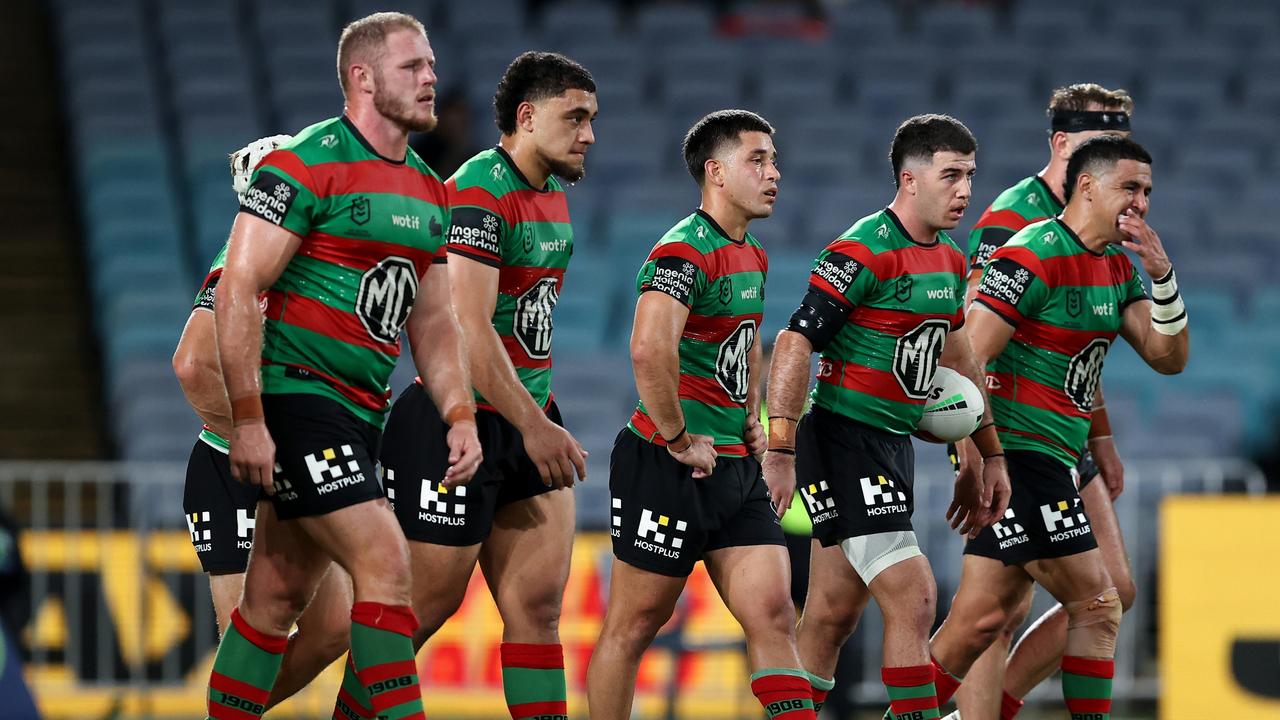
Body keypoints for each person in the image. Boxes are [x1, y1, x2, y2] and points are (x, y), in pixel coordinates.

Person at [204, 13, 482, 720]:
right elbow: (238, 285)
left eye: (431, 66)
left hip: (363, 414)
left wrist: (458, 412)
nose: (431, 78)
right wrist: (247, 417)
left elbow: (435, 322)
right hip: (299, 401)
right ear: (361, 78)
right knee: (388, 566)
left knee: (273, 599)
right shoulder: (304, 163)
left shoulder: (429, 190)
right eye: (411, 67)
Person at [332, 51, 596, 720]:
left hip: (526, 415)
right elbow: (466, 327)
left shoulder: (554, 198)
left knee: (538, 611)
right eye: (576, 118)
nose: (589, 133)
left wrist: (537, 416)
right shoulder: (479, 187)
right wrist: (534, 425)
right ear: (528, 118)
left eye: (592, 119)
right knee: (421, 610)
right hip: (459, 422)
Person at [928, 135, 1188, 720]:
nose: (1141, 202)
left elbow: (1167, 355)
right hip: (1022, 455)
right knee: (1099, 605)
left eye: (1147, 190)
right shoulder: (1032, 253)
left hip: (1054, 457)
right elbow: (964, 358)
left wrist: (1163, 276)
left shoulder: (1117, 267)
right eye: (1129, 187)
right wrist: (979, 457)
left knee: (975, 625)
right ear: (1087, 185)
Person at [764, 114, 1009, 720]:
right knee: (916, 594)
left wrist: (983, 451)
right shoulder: (862, 249)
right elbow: (796, 341)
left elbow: (958, 356)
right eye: (950, 175)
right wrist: (780, 449)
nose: (964, 191)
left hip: (891, 444)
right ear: (909, 178)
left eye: (970, 176)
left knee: (830, 613)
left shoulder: (951, 261)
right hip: (844, 439)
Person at [588, 109, 818, 720]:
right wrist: (679, 438)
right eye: (758, 160)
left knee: (773, 615)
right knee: (634, 626)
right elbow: (649, 348)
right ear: (715, 172)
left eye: (774, 161)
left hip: (735, 468)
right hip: (667, 466)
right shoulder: (682, 249)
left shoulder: (753, 255)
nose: (775, 174)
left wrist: (751, 417)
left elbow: (743, 342)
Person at [953, 84, 1139, 720]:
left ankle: (980, 707)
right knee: (1002, 615)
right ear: (1061, 145)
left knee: (1108, 592)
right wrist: (971, 452)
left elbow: (1081, 334)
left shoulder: (1107, 222)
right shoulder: (1014, 219)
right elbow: (971, 337)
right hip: (1010, 433)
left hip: (1066, 432)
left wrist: (1102, 436)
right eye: (1095, 145)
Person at [172, 135, 351, 710]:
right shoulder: (242, 259)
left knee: (333, 626)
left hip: (286, 464)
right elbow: (193, 365)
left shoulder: (302, 259)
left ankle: (233, 710)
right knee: (253, 643)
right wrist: (259, 439)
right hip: (237, 469)